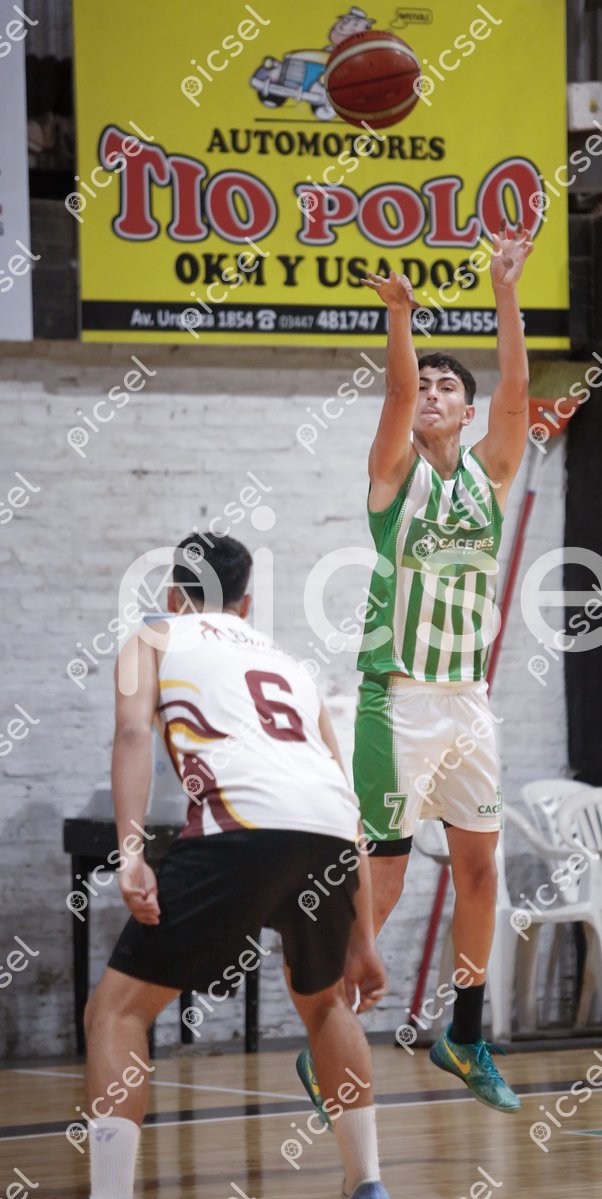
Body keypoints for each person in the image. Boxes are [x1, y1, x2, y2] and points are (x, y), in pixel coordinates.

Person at [298, 224, 534, 1117]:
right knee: (386, 880)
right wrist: (400, 317)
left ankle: (464, 1034)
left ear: (467, 413)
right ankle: (327, 1031)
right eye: (425, 384)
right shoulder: (394, 476)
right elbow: (395, 388)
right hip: (394, 700)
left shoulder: (490, 475)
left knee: (481, 871)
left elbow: (518, 389)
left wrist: (505, 289)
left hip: (467, 701)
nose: (432, 392)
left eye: (447, 386)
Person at [82, 533, 391, 1199]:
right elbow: (345, 799)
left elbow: (133, 733)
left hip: (241, 829)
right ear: (245, 603)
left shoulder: (153, 635)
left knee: (115, 1012)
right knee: (325, 1002)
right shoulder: (291, 665)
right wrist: (364, 939)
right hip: (329, 836)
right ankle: (367, 1181)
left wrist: (132, 854)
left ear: (173, 594)